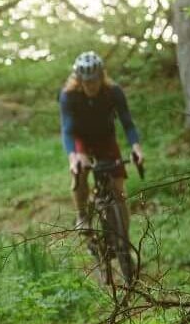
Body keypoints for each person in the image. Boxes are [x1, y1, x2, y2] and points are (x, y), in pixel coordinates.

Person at [61, 51, 143, 286]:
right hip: (81, 141)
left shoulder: (113, 92)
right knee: (81, 169)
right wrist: (73, 158)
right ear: (79, 80)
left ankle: (123, 240)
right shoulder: (69, 96)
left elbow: (127, 122)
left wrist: (136, 147)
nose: (91, 85)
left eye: (95, 80)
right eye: (86, 81)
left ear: (101, 76)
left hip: (106, 139)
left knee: (118, 190)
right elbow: (67, 130)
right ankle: (82, 215)